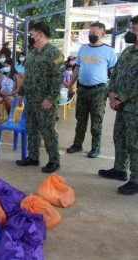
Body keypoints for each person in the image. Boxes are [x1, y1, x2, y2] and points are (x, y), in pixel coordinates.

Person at [16, 22, 65, 173]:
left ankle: (54, 161)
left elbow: (58, 79)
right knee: (32, 129)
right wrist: (21, 92)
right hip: (30, 99)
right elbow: (28, 76)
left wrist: (50, 99)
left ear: (41, 35)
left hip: (44, 100)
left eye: (31, 35)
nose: (29, 38)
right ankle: (33, 157)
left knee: (47, 131)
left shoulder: (54, 53)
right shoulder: (32, 52)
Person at [98, 15, 138, 195]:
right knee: (119, 138)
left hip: (134, 109)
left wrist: (119, 97)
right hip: (121, 106)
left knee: (134, 144)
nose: (131, 32)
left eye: (135, 29)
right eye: (131, 28)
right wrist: (111, 93)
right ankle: (120, 169)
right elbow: (114, 74)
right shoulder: (127, 52)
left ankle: (136, 179)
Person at [66, 22, 117, 158]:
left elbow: (113, 73)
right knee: (80, 119)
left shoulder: (109, 51)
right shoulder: (83, 49)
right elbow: (76, 68)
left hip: (99, 90)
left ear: (102, 34)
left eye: (94, 33)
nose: (91, 35)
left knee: (96, 121)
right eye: (90, 33)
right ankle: (77, 144)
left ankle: (95, 148)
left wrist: (113, 92)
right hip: (82, 89)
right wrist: (71, 85)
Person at [0, 58, 22, 124]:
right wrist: (0, 92)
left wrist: (9, 94)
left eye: (7, 66)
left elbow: (18, 89)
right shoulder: (2, 75)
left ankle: (10, 117)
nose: (5, 68)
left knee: (9, 100)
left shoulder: (16, 76)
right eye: (4, 66)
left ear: (11, 66)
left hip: (12, 95)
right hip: (2, 94)